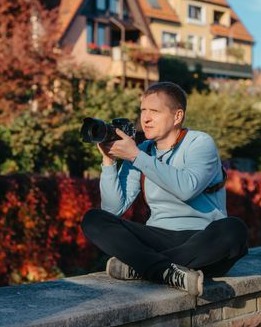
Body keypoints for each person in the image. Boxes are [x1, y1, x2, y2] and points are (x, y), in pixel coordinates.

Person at [81, 82, 248, 296]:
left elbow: (187, 188)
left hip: (202, 241)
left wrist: (135, 156)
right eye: (143, 111)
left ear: (177, 116)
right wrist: (108, 162)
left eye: (154, 112)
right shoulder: (142, 150)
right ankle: (166, 271)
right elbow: (114, 210)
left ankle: (144, 267)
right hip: (158, 236)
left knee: (234, 230)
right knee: (94, 219)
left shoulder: (200, 143)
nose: (146, 118)